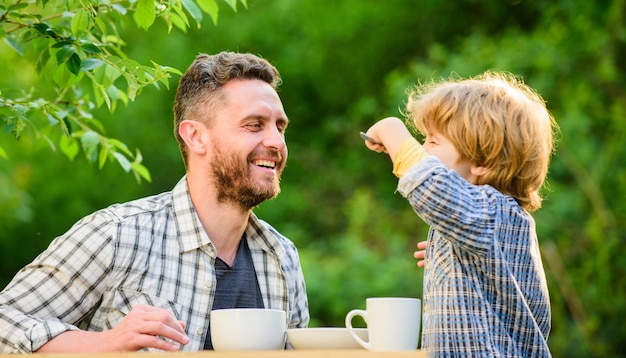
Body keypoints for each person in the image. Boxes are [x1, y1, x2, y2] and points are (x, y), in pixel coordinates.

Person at [0, 51, 309, 353]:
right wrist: (105, 343)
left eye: (279, 127)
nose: (276, 142)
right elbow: (5, 320)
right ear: (196, 137)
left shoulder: (283, 258)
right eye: (255, 125)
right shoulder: (117, 235)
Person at [362, 70, 556, 357]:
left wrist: (393, 130)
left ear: (481, 161)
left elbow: (431, 187)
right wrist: (451, 259)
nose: (423, 148)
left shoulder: (494, 213)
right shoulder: (486, 221)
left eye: (432, 141)